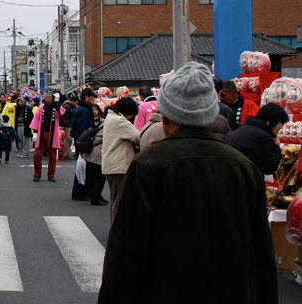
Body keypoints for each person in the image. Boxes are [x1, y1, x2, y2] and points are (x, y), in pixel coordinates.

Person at [98, 61, 277, 303]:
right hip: (232, 291)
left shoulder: (149, 164)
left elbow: (126, 250)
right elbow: (262, 253)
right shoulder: (243, 166)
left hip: (165, 289)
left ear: (166, 115)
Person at [101, 97, 139, 222]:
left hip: (112, 165)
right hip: (119, 166)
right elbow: (138, 136)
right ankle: (117, 232)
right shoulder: (119, 121)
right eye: (131, 114)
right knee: (119, 201)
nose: (131, 118)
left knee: (115, 200)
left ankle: (116, 230)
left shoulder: (110, 117)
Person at [225, 102, 288, 176]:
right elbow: (269, 167)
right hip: (246, 181)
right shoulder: (262, 137)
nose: (279, 130)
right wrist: (276, 146)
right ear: (269, 122)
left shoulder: (242, 130)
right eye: (279, 126)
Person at [30, 93, 65, 182]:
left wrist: (57, 102)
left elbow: (60, 113)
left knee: (52, 156)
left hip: (52, 135)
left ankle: (51, 174)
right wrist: (35, 132)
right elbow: (36, 119)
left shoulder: (56, 108)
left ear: (53, 99)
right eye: (46, 97)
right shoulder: (41, 107)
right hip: (42, 134)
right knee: (37, 156)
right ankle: (37, 174)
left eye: (49, 97)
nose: (47, 99)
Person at [80, 104, 107, 206]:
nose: (94, 111)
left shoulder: (101, 122)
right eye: (93, 109)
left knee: (92, 176)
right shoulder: (104, 124)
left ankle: (95, 196)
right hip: (97, 153)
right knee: (98, 177)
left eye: (96, 109)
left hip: (91, 152)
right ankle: (95, 197)